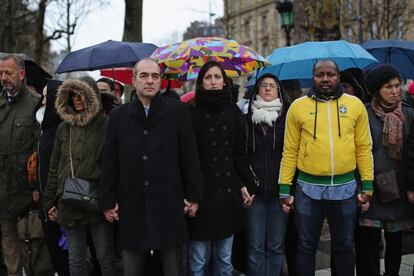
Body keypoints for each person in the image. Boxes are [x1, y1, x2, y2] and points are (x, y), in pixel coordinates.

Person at [99, 58, 203, 276]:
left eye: (155, 76)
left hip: (170, 206)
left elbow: (190, 157)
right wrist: (108, 201)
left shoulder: (177, 112)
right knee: (132, 269)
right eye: (144, 76)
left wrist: (193, 196)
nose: (150, 81)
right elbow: (110, 162)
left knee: (174, 269)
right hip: (131, 207)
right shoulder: (119, 116)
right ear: (134, 81)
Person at [278, 59, 374, 276]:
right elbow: (290, 150)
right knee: (305, 247)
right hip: (307, 189)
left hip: (345, 188)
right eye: (319, 75)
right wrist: (284, 186)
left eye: (330, 74)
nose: (325, 79)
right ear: (313, 77)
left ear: (338, 76)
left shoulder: (355, 105)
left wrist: (367, 184)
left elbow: (363, 147)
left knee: (344, 247)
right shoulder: (298, 107)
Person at [42, 79, 117, 276]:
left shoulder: (106, 125)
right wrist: (50, 201)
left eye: (81, 94)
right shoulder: (63, 128)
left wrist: (110, 198)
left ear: (91, 96)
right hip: (69, 201)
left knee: (105, 256)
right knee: (76, 259)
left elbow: (114, 165)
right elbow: (54, 166)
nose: (76, 99)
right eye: (73, 95)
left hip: (97, 200)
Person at [186, 61, 253, 276]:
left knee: (224, 260)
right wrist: (189, 194)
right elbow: (187, 157)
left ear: (224, 81)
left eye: (217, 77)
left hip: (227, 193)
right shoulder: (191, 112)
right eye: (208, 77)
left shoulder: (233, 111)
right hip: (200, 194)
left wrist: (244, 183)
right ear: (201, 82)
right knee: (199, 261)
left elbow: (238, 154)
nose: (214, 82)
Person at [355, 64, 414, 276]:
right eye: (388, 86)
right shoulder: (363, 113)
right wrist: (362, 187)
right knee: (369, 240)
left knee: (395, 240)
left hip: (400, 187)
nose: (395, 91)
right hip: (371, 187)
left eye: (397, 85)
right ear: (376, 90)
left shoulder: (409, 113)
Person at [0, 54, 40, 275]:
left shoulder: (35, 105)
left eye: (8, 73)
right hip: (2, 189)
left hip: (26, 190)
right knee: (9, 244)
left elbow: (40, 149)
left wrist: (37, 187)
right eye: (0, 73)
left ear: (21, 74)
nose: (3, 78)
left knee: (32, 242)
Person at [244, 73, 288, 276]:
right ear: (257, 90)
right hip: (255, 195)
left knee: (276, 247)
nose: (268, 89)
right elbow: (240, 156)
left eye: (272, 86)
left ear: (279, 91)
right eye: (264, 85)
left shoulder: (287, 119)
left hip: (280, 194)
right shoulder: (247, 120)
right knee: (255, 248)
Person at [34, 79, 70, 276]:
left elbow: (61, 169)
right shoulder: (46, 129)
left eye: (47, 96)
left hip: (58, 206)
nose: (42, 101)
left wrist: (55, 202)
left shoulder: (62, 129)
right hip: (46, 203)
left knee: (65, 256)